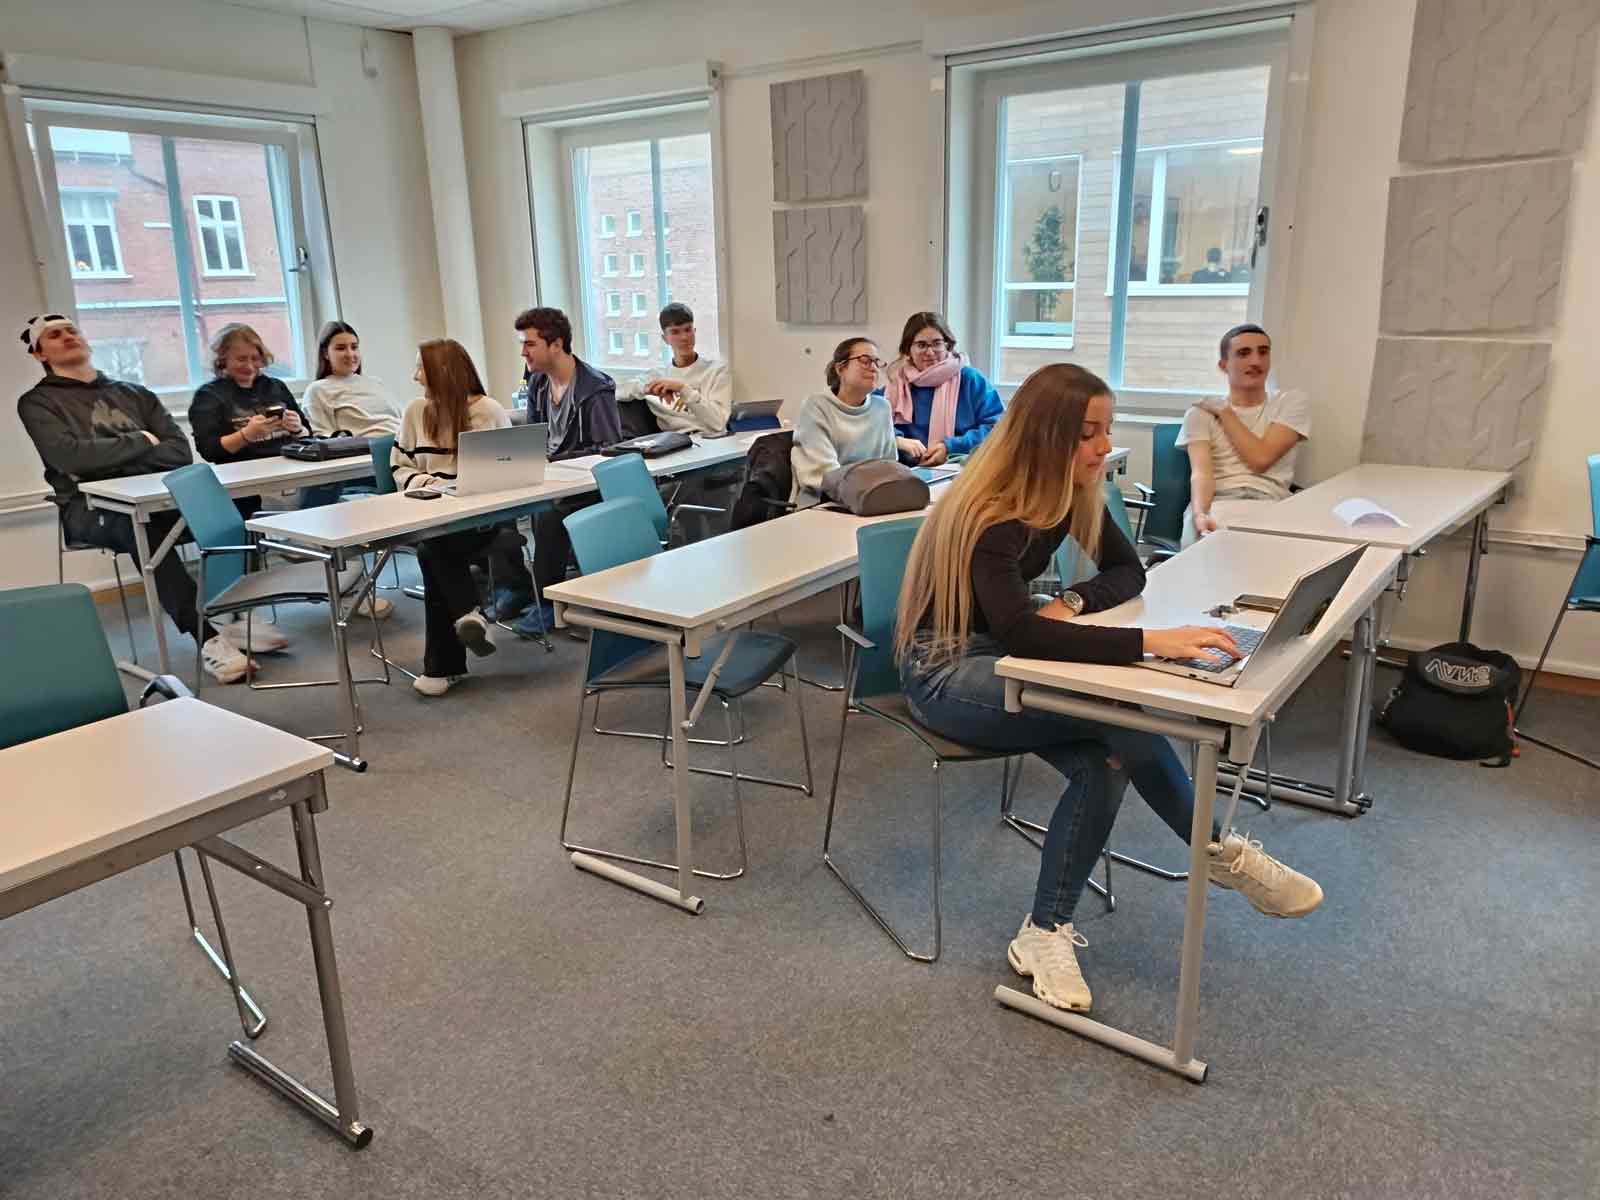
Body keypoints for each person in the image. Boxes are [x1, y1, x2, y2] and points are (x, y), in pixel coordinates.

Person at [895, 362, 1322, 1013]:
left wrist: (1071, 599)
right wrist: (1152, 642)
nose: (1104, 446)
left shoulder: (1066, 494)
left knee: (1110, 758)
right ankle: (1215, 847)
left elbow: (1129, 571)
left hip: (1004, 656)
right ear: (1047, 437)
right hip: (944, 671)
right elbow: (1023, 636)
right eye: (1088, 433)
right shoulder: (992, 515)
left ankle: (1043, 932)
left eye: (1107, 429)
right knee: (1118, 714)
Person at [16, 314, 256, 683]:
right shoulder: (38, 402)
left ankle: (237, 615)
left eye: (71, 330)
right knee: (141, 528)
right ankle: (207, 638)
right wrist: (143, 440)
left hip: (155, 497)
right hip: (89, 508)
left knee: (237, 508)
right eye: (54, 335)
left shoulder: (135, 394)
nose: (67, 337)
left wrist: (106, 457)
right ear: (39, 354)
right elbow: (70, 458)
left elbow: (178, 452)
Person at [391, 338, 509, 697]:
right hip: (430, 512)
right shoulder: (414, 412)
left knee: (432, 551)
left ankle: (445, 664)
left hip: (482, 517)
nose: (414, 377)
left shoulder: (488, 411)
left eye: (420, 368)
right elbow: (399, 466)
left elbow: (510, 468)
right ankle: (470, 617)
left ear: (442, 372)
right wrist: (427, 484)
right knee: (435, 546)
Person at [510, 307, 623, 637]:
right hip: (552, 479)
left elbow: (607, 448)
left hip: (589, 485)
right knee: (500, 507)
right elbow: (533, 436)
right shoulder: (538, 383)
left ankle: (548, 603)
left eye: (530, 344)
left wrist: (554, 462)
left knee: (548, 514)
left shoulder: (595, 388)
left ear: (556, 344)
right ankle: (515, 589)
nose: (523, 352)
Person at [1177, 324, 1310, 547]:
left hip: (1271, 502)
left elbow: (1260, 459)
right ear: (1223, 365)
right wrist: (1200, 514)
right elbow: (1201, 474)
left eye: (1263, 352)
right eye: (1243, 353)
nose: (1256, 361)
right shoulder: (1200, 413)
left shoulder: (1290, 403)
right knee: (1204, 555)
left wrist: (1225, 413)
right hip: (1217, 502)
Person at [886, 312, 1004, 469]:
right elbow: (871, 425)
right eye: (921, 345)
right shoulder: (895, 385)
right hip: (907, 472)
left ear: (947, 345)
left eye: (937, 343)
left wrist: (950, 447)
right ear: (908, 350)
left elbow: (998, 427)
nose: (930, 352)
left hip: (963, 469)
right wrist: (897, 439)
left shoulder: (971, 380)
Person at [789, 336, 897, 500]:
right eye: (865, 360)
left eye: (877, 362)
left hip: (872, 497)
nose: (874, 368)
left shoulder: (882, 407)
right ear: (840, 369)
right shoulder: (816, 406)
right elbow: (826, 475)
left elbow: (890, 466)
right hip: (823, 502)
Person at [614, 302, 732, 435]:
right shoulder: (657, 376)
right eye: (675, 332)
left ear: (694, 331)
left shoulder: (716, 370)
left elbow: (718, 424)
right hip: (675, 442)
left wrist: (682, 389)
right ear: (665, 338)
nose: (684, 337)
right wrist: (647, 388)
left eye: (688, 330)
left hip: (712, 440)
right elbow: (616, 392)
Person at [301, 321, 404, 438]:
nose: (350, 354)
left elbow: (404, 419)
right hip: (369, 446)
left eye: (354, 347)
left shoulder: (376, 383)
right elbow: (322, 436)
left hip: (405, 441)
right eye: (341, 348)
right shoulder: (317, 390)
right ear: (325, 354)